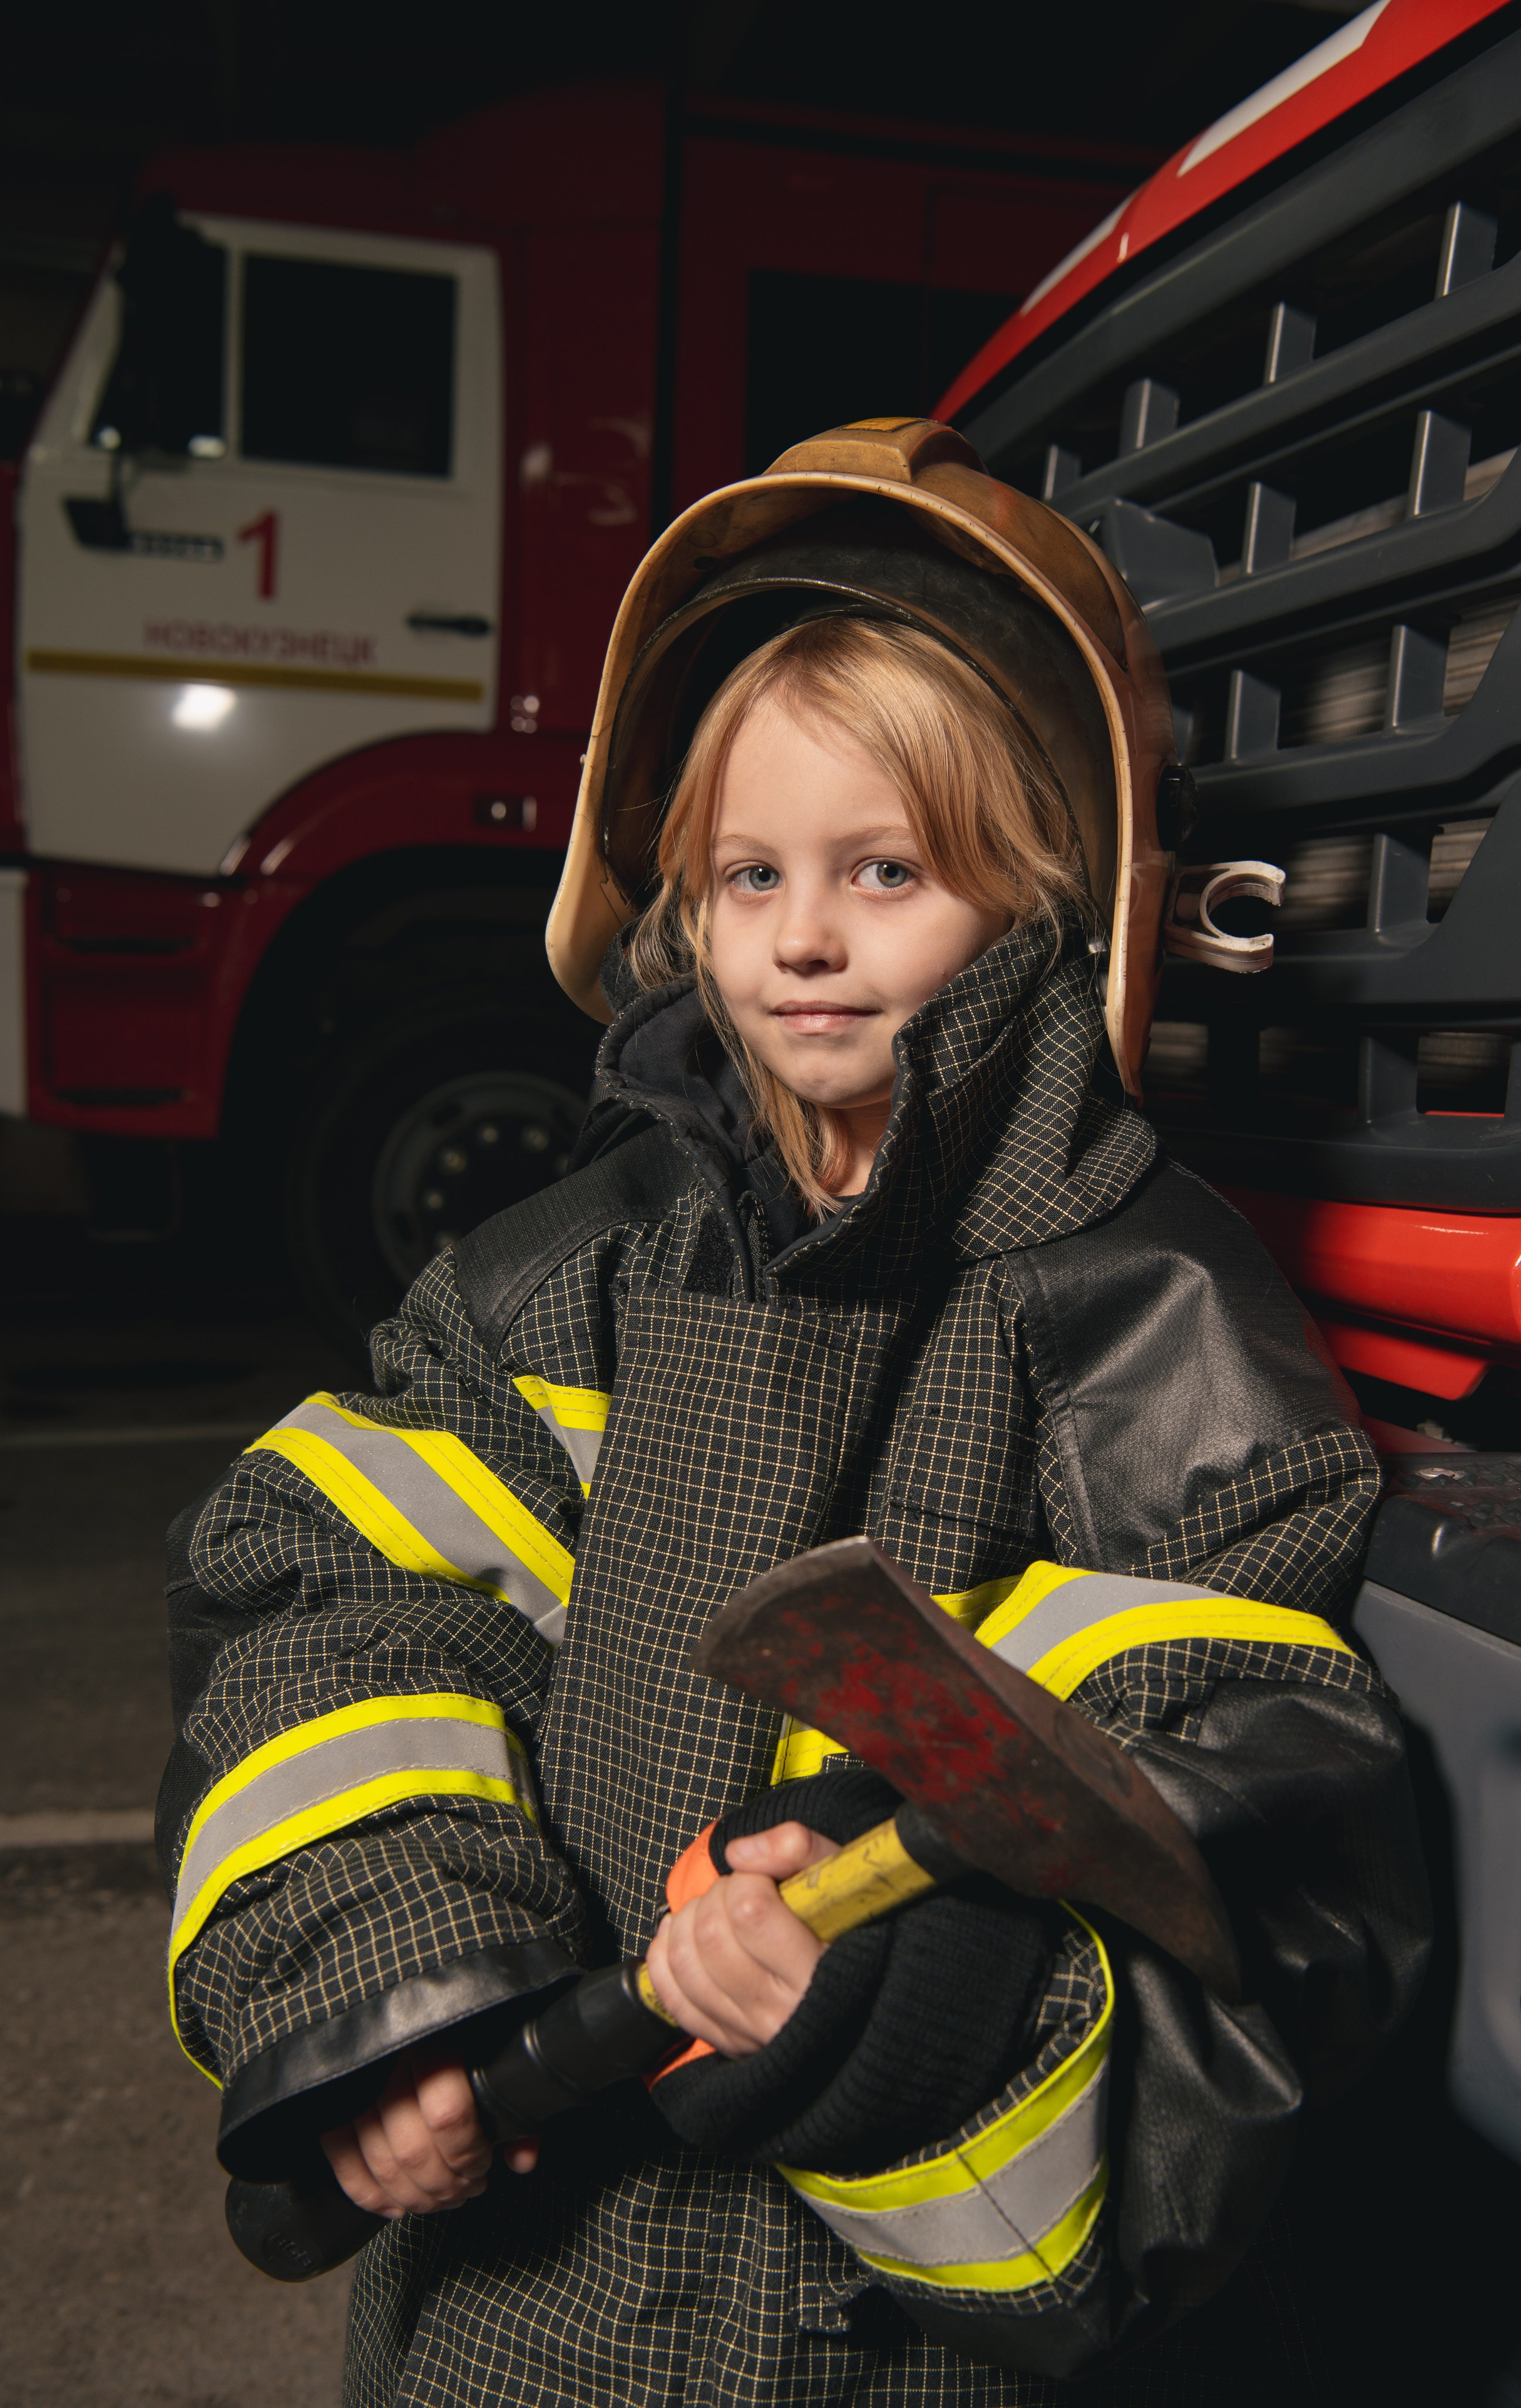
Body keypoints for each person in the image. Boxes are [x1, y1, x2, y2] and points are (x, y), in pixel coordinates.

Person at [160, 418, 1429, 2404]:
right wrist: (393, 1988)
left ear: (1050, 904)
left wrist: (899, 1995)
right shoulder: (557, 1273)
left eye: (886, 871)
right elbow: (340, 1613)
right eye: (750, 872)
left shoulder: (1146, 1314)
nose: (800, 937)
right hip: (519, 2317)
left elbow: (1245, 1822)